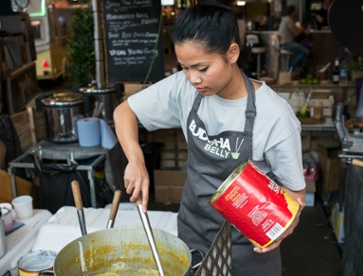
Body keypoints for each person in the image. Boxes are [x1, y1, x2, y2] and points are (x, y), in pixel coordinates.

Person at [113, 0, 306, 275]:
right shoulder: (184, 88)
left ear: (232, 53)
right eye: (184, 67)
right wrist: (136, 160)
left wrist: (280, 230)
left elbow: (296, 195)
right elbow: (124, 112)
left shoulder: (274, 115)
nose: (193, 79)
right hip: (194, 234)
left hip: (247, 247)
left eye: (202, 68)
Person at [277, 5, 310, 76]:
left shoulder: (285, 19)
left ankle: (292, 69)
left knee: (302, 52)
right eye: (295, 11)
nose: (296, 12)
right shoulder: (288, 19)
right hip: (287, 44)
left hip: (283, 44)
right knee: (306, 52)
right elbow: (296, 33)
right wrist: (303, 29)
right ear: (292, 12)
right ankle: (290, 68)